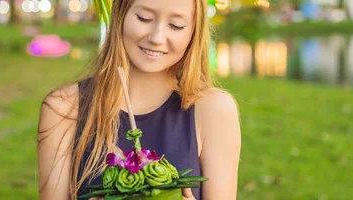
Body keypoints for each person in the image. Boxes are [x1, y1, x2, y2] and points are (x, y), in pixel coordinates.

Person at [37, 0, 241, 199]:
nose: (157, 37)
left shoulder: (215, 110)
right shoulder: (63, 108)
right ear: (121, 15)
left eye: (175, 25)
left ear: (194, 31)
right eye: (144, 18)